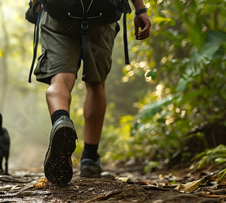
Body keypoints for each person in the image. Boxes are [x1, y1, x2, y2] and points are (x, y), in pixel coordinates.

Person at [30, 0, 151, 185]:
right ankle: (89, 158)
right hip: (102, 16)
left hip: (59, 14)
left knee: (60, 78)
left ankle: (61, 121)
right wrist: (140, 9)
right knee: (95, 84)